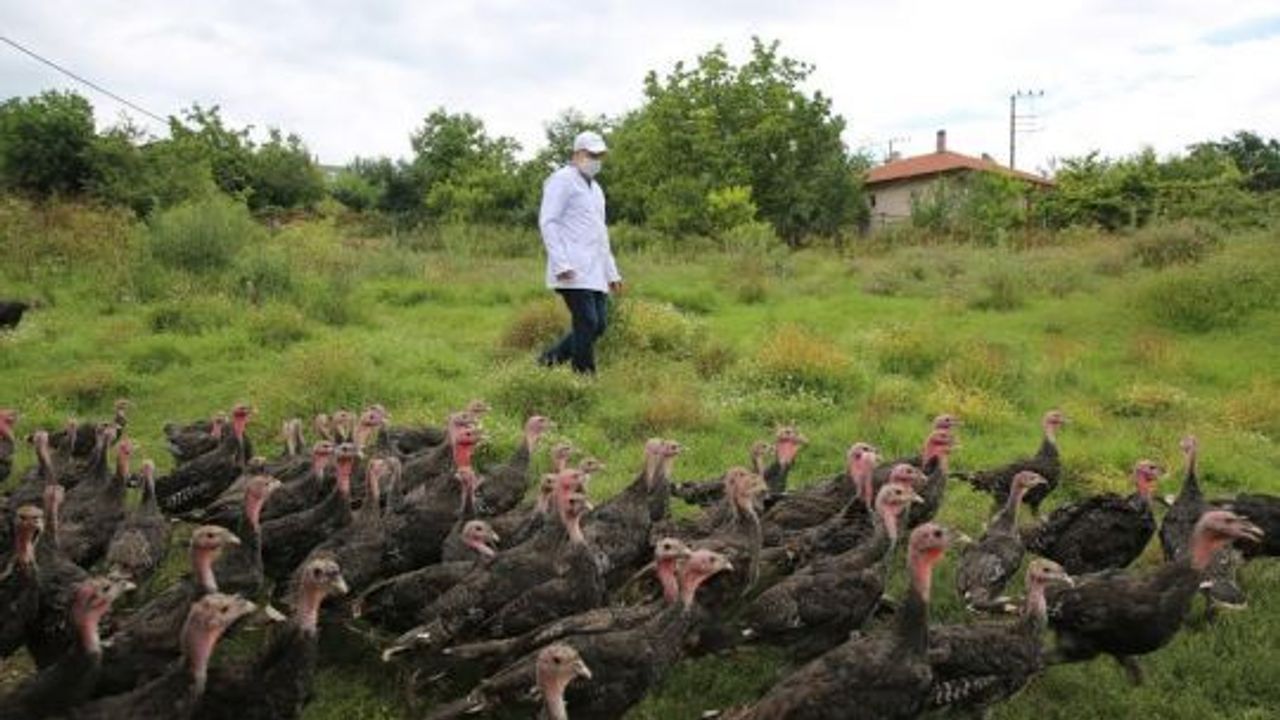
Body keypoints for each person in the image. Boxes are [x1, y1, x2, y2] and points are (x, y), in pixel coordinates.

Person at [537, 130, 623, 375]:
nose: (596, 159)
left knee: (599, 326)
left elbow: (600, 233)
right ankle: (584, 377)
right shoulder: (562, 180)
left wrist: (612, 273)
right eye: (591, 154)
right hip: (570, 269)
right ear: (576, 154)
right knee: (587, 321)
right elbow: (548, 221)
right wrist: (561, 263)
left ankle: (547, 362)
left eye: (599, 155)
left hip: (595, 271)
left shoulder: (596, 190)